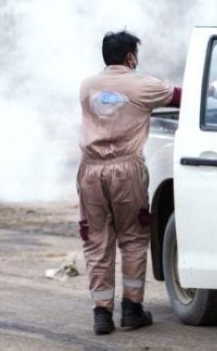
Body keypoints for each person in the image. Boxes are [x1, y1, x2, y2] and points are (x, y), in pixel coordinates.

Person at [77, 30, 181, 335]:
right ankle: (132, 310)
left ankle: (101, 314)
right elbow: (180, 97)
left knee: (97, 240)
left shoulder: (87, 86)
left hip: (90, 170)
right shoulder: (144, 85)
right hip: (126, 170)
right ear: (130, 57)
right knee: (134, 237)